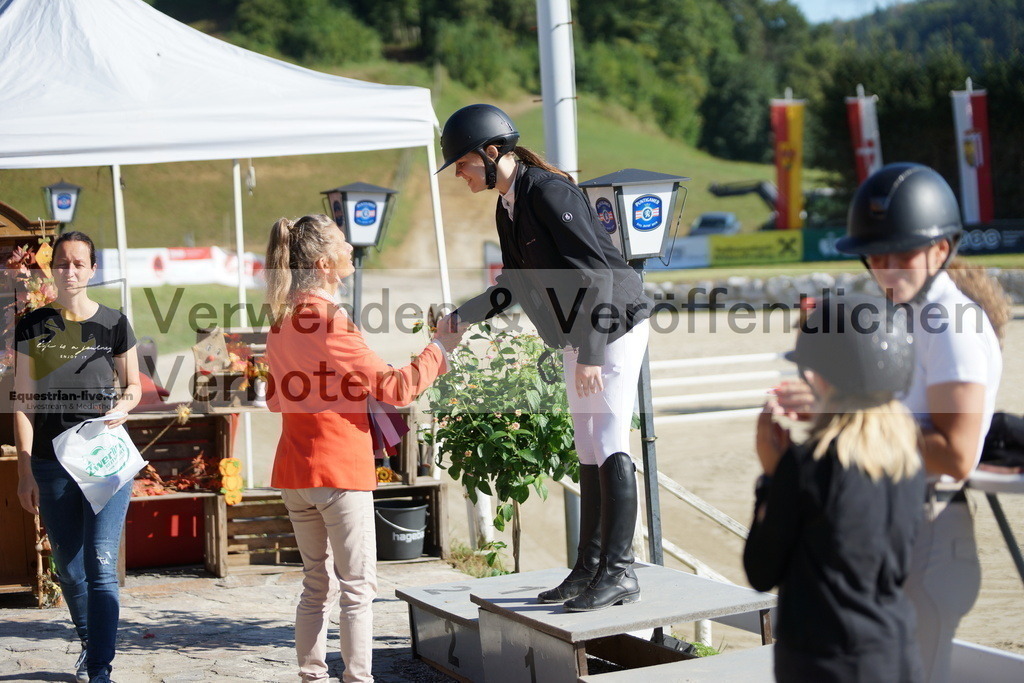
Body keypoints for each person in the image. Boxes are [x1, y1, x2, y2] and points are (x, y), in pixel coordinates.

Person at [777, 163, 1006, 682]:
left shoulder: (949, 323)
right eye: (875, 255)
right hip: (894, 527)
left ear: (942, 249)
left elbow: (955, 451)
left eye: (901, 253)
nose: (886, 268)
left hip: (926, 532)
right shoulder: (910, 311)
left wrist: (838, 418)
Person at [435, 104, 654, 612]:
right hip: (581, 334)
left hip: (613, 327)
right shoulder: (508, 203)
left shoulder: (549, 192)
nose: (461, 176)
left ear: (492, 153)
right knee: (586, 446)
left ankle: (619, 574)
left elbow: (598, 275)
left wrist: (593, 354)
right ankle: (588, 568)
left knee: (607, 439)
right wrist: (463, 316)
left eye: (463, 165)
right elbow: (513, 284)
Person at [264, 213, 461, 682]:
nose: (352, 247)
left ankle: (312, 675)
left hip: (295, 467)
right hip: (338, 467)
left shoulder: (280, 320)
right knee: (357, 588)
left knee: (316, 585)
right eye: (343, 242)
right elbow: (397, 387)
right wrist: (440, 346)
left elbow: (276, 398)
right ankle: (357, 678)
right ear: (324, 262)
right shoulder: (329, 320)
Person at [745, 293, 926, 681]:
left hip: (824, 659)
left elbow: (761, 571)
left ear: (822, 377)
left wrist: (771, 480)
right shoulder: (908, 460)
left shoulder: (808, 465)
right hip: (894, 649)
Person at [14, 231, 141, 683]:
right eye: (62, 263)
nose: (70, 270)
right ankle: (90, 641)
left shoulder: (114, 323)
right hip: (50, 464)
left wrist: (123, 407)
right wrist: (25, 469)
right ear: (53, 270)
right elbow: (23, 403)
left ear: (92, 269)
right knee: (68, 570)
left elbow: (134, 386)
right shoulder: (32, 325)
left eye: (78, 263)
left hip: (103, 459)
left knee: (101, 565)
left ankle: (101, 668)